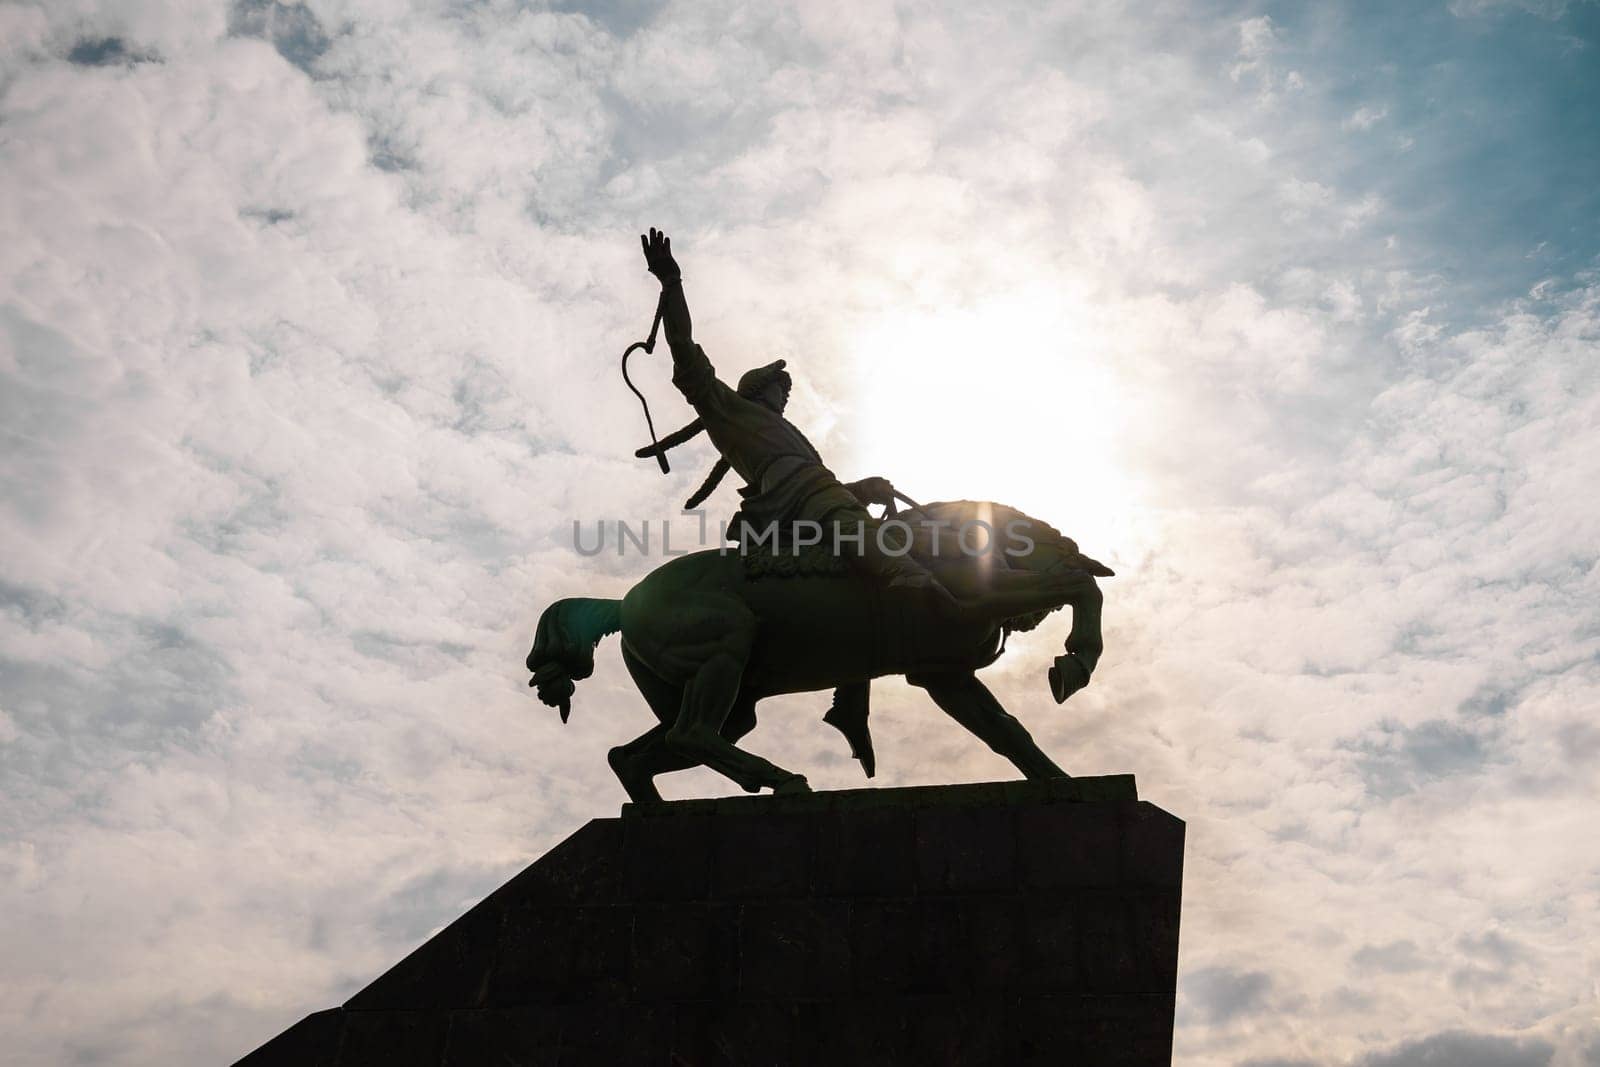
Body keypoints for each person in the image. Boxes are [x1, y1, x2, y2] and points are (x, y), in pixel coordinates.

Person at [636, 228, 948, 597]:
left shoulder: (784, 431)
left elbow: (810, 490)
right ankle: (907, 578)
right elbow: (684, 349)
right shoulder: (730, 411)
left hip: (815, 496)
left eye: (786, 390)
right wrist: (672, 282)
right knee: (858, 530)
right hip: (804, 502)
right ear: (754, 388)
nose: (784, 396)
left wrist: (861, 489)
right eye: (778, 386)